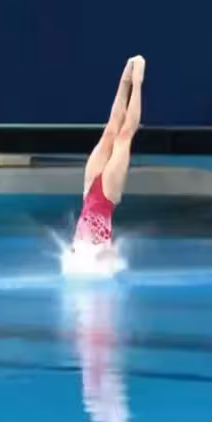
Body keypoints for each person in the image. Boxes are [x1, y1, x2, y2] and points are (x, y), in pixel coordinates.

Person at [68, 55, 145, 265]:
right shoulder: (100, 260)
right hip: (107, 197)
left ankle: (125, 78)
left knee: (110, 131)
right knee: (124, 136)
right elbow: (110, 257)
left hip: (88, 193)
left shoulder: (76, 259)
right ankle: (137, 82)